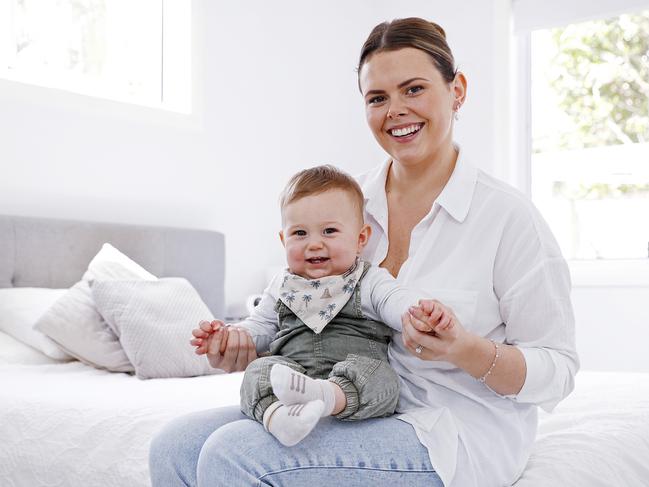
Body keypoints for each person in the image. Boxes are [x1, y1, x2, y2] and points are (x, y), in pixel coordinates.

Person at [149, 17, 578, 487]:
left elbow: (557, 370)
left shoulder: (508, 218)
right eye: (378, 98)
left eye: (413, 89)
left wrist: (464, 348)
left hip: (452, 432)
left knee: (235, 455)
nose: (395, 110)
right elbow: (302, 316)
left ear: (457, 90)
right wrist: (244, 347)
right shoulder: (345, 206)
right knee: (175, 446)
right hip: (344, 403)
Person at [192, 165, 453, 447]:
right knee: (259, 371)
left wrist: (418, 312)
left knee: (382, 378)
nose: (314, 244)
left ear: (360, 239)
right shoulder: (282, 284)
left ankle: (324, 395)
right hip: (289, 377)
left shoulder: (367, 279)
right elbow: (260, 326)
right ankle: (280, 418)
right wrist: (231, 336)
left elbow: (394, 300)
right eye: (300, 233)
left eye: (329, 231)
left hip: (348, 387)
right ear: (283, 239)